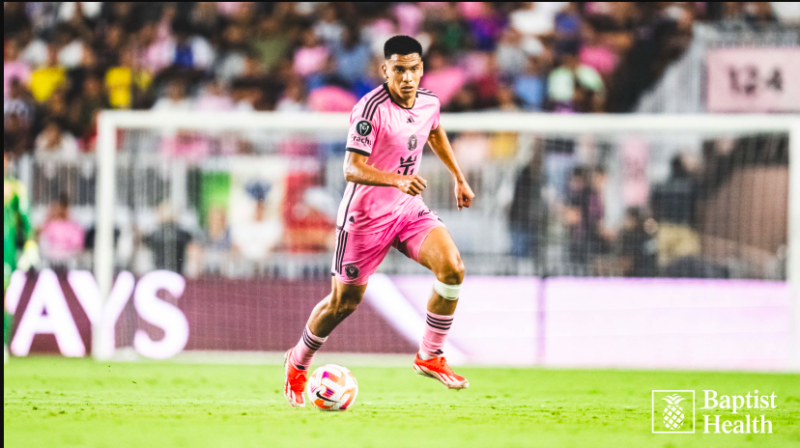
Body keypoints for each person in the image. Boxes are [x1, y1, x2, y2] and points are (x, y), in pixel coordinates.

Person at [284, 36, 476, 407]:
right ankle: (298, 361)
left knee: (452, 268)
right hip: (365, 218)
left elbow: (433, 130)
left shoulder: (429, 102)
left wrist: (458, 176)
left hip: (407, 210)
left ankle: (430, 355)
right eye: (399, 69)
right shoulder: (370, 109)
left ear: (422, 68)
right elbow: (351, 168)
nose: (408, 77)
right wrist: (396, 179)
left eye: (414, 68)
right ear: (385, 69)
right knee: (343, 303)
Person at [4, 148, 40, 363]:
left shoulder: (15, 188)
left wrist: (30, 245)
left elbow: (26, 220)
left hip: (5, 251)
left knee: (4, 297)